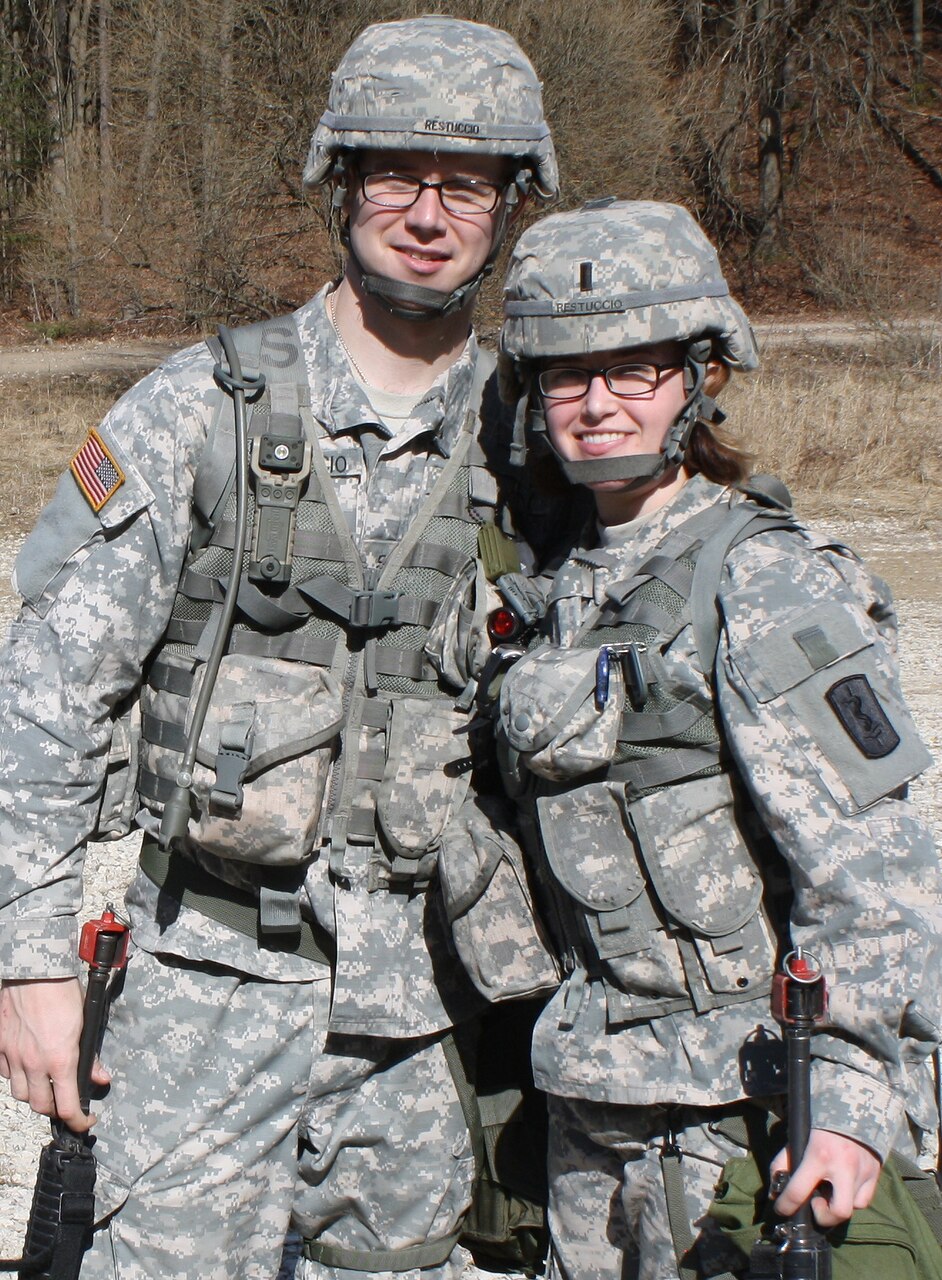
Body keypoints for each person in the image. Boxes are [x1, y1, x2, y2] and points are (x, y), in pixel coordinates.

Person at [0, 17, 559, 1279]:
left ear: (510, 204)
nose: (428, 214)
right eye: (394, 174)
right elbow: (43, 699)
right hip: (200, 1001)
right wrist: (28, 961)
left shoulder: (540, 446)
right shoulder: (200, 409)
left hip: (424, 1027)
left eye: (466, 183)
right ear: (339, 183)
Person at [493, 197, 942, 1279]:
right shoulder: (555, 587)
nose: (598, 404)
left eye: (633, 370)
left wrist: (849, 1094)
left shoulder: (764, 576)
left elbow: (874, 867)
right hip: (593, 1101)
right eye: (567, 376)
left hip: (741, 1116)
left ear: (697, 380)